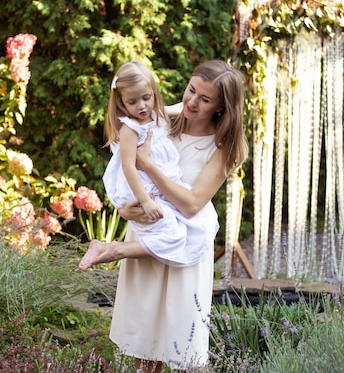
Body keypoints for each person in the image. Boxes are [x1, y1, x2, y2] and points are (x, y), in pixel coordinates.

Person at [110, 60, 248, 372]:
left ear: (222, 108)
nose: (191, 101)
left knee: (178, 342)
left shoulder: (222, 148)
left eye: (205, 99)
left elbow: (191, 203)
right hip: (148, 236)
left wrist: (148, 166)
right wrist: (124, 208)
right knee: (144, 343)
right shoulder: (160, 122)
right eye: (191, 90)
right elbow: (124, 169)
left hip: (185, 246)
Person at [79, 60, 218, 270]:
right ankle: (113, 249)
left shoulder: (156, 115)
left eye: (146, 98)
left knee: (204, 218)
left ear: (154, 93)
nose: (142, 106)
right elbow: (128, 167)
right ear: (122, 103)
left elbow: (180, 107)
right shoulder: (131, 129)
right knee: (173, 234)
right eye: (132, 102)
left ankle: (115, 249)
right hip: (146, 190)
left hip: (163, 186)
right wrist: (146, 202)